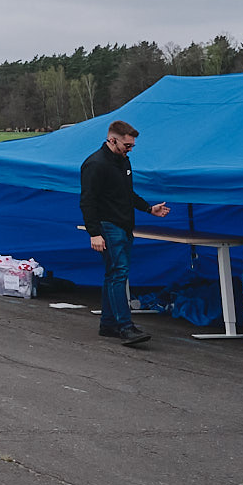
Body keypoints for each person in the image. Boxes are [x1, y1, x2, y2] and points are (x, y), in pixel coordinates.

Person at [81, 120, 170, 346]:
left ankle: (108, 323)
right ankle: (125, 326)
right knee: (118, 273)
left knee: (114, 273)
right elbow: (87, 201)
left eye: (132, 146)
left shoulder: (123, 161)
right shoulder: (95, 164)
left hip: (124, 224)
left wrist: (149, 208)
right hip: (108, 225)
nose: (129, 150)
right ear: (112, 140)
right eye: (126, 145)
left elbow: (127, 193)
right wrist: (94, 233)